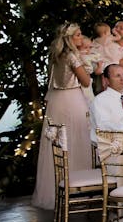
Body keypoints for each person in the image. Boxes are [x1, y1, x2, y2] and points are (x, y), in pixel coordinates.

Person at [31, 23, 94, 210]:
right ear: (69, 38)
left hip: (56, 100)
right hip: (72, 100)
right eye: (78, 35)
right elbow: (86, 81)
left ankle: (56, 188)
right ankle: (78, 189)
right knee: (77, 141)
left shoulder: (55, 56)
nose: (81, 38)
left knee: (59, 144)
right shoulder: (72, 56)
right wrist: (84, 64)